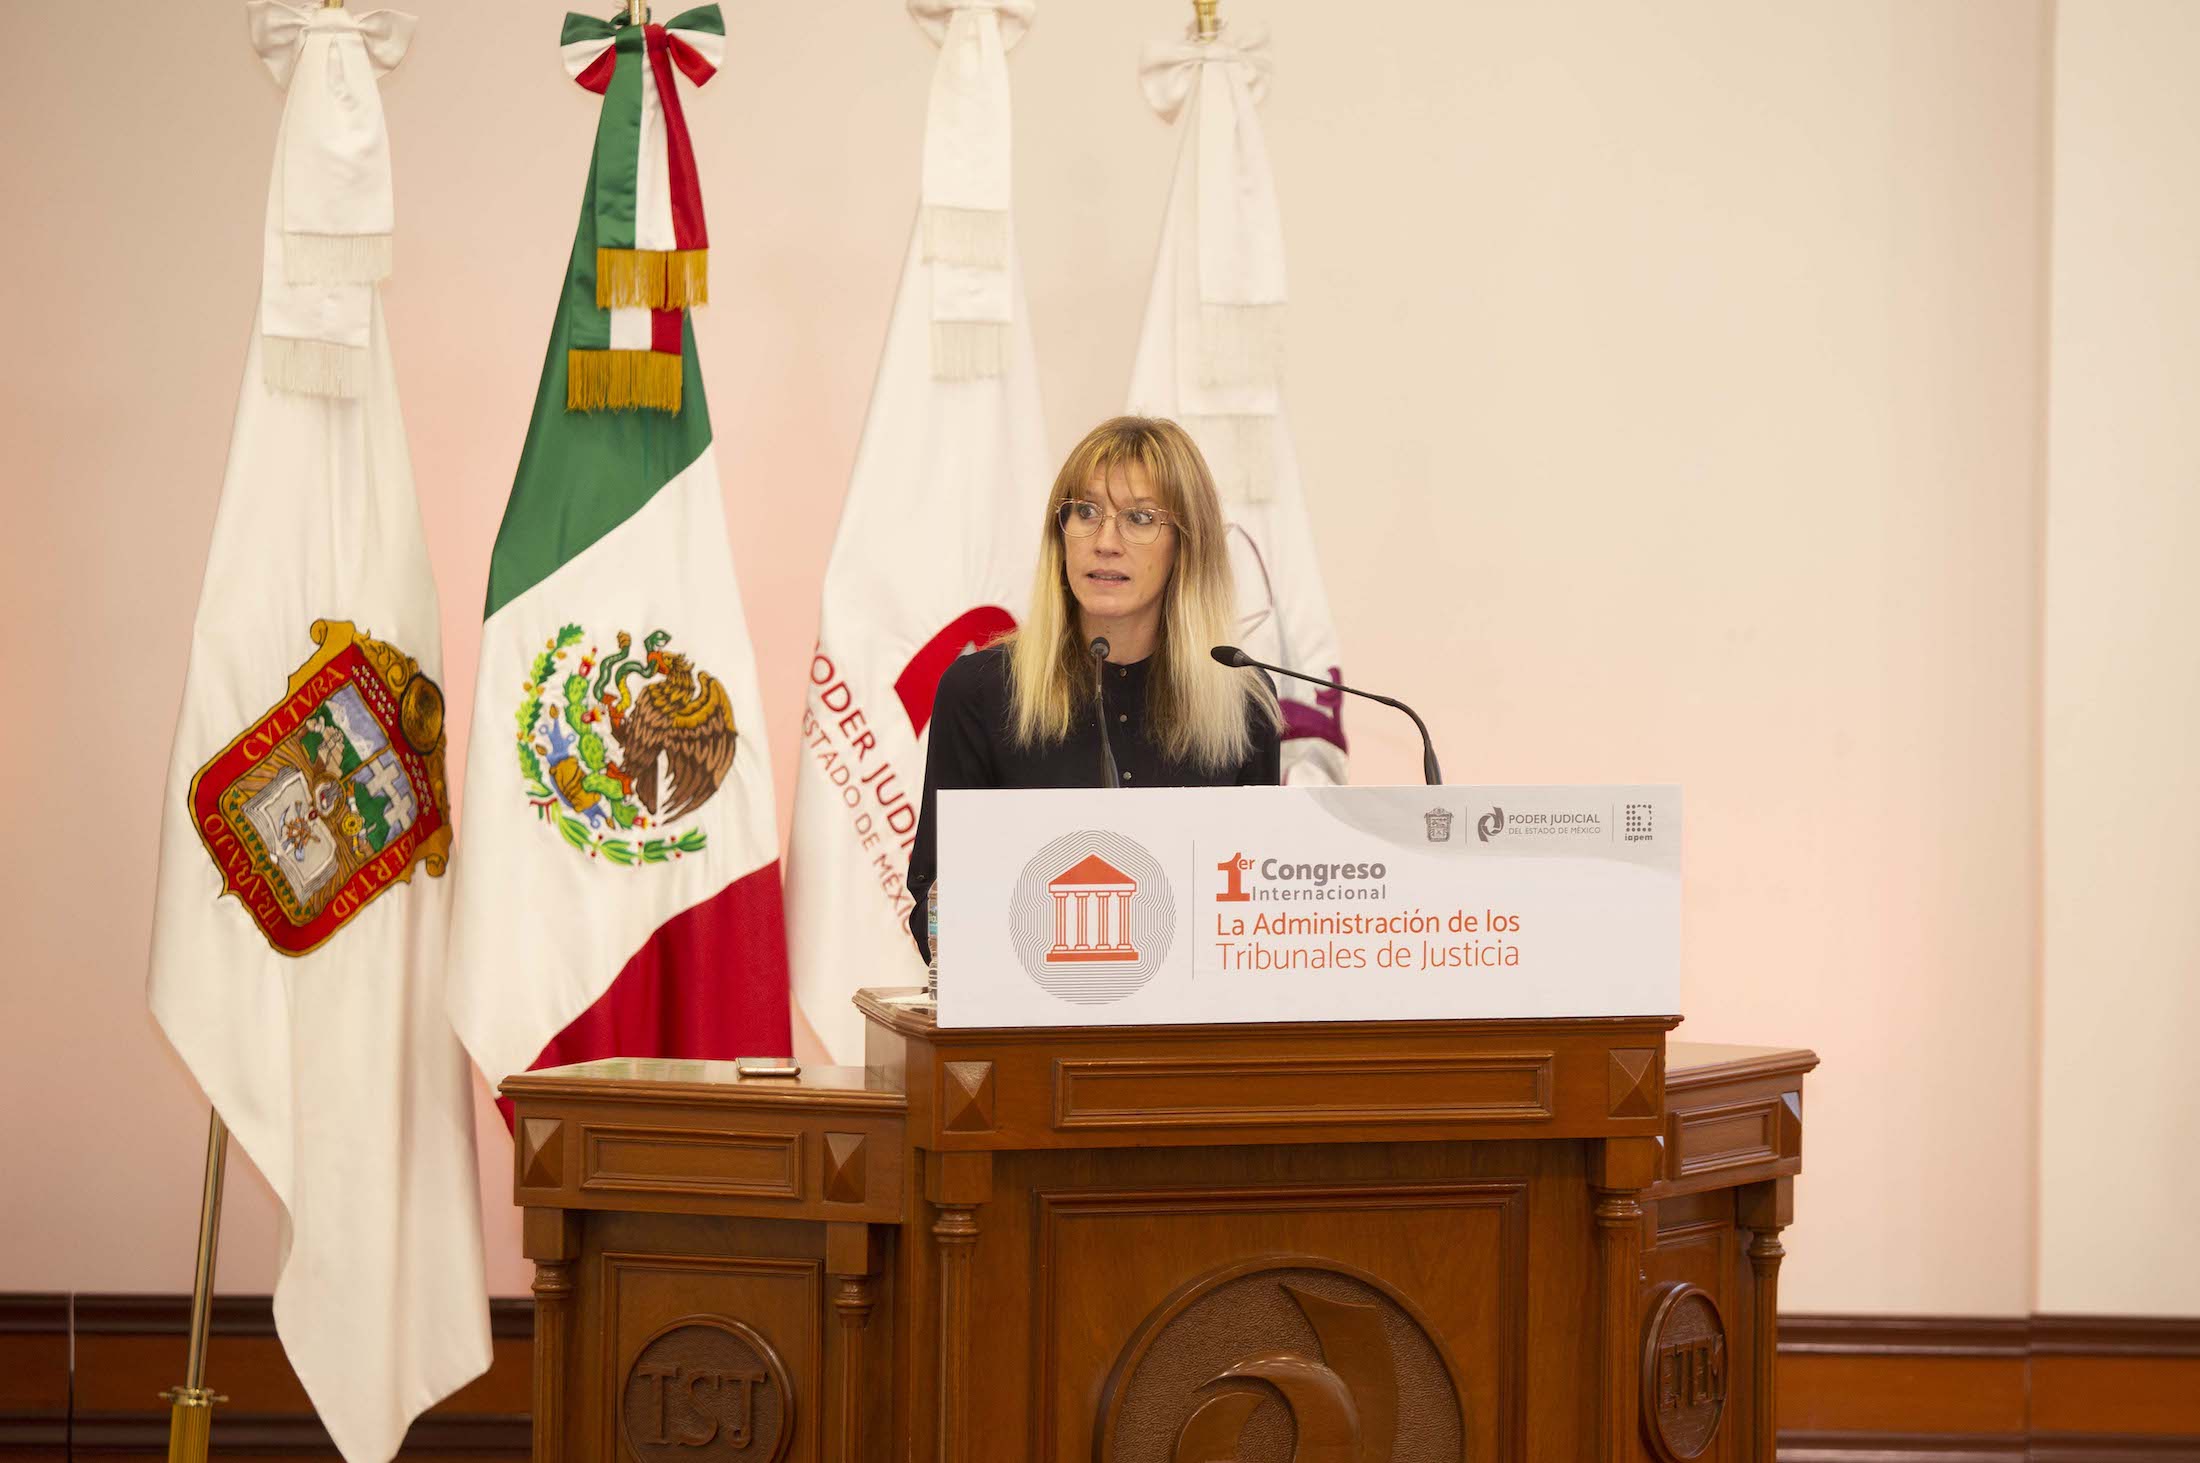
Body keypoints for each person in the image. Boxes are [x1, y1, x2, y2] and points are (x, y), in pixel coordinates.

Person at [906, 416, 1282, 960]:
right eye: (1085, 512)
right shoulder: (982, 691)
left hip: (1190, 1037)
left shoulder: (1240, 699)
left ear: (1186, 544)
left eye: (1140, 518)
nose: (1105, 542)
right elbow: (932, 906)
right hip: (1030, 1029)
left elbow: (1257, 913)